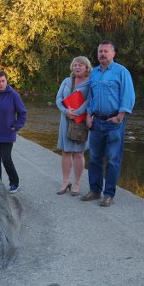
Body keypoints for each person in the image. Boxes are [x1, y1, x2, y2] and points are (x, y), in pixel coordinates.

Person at [81, 40, 135, 206]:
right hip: (97, 122)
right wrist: (89, 115)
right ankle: (95, 190)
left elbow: (129, 95)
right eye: (100, 52)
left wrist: (120, 116)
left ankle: (108, 194)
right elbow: (92, 96)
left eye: (105, 51)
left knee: (112, 159)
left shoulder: (121, 72)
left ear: (113, 54)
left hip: (114, 122)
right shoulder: (95, 73)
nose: (102, 54)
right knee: (95, 158)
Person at [55, 56, 92, 196]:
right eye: (75, 65)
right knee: (65, 151)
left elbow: (90, 100)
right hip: (66, 120)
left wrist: (76, 112)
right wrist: (66, 111)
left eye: (80, 65)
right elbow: (58, 98)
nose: (77, 67)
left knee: (79, 152)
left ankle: (76, 183)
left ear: (87, 68)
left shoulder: (90, 82)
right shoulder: (66, 81)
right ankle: (65, 182)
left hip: (80, 121)